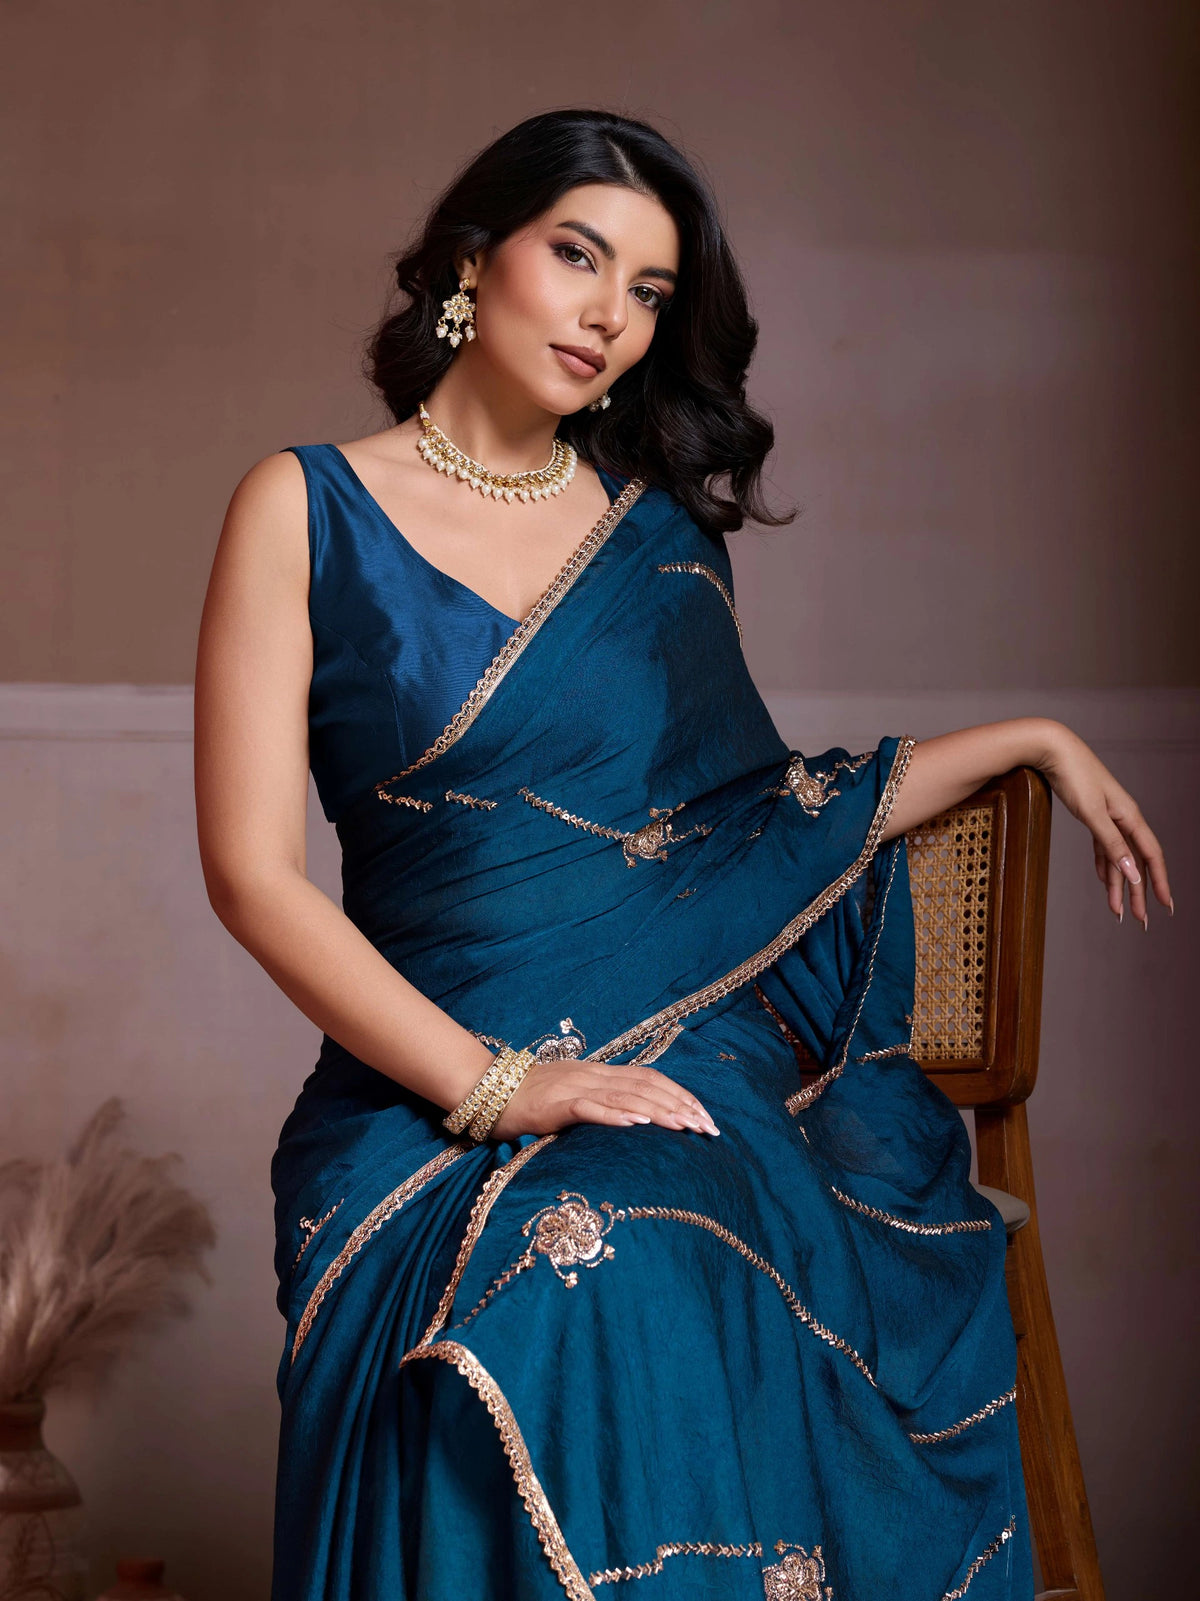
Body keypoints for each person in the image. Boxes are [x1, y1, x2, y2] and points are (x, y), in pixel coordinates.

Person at [193, 109, 1171, 1601]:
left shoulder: (652, 544)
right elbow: (253, 877)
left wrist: (1027, 735)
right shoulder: (302, 508)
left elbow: (749, 828)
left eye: (649, 291)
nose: (608, 315)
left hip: (668, 1065)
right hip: (418, 1088)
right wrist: (501, 1085)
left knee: (647, 1225)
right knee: (573, 1253)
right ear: (476, 254)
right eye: (579, 255)